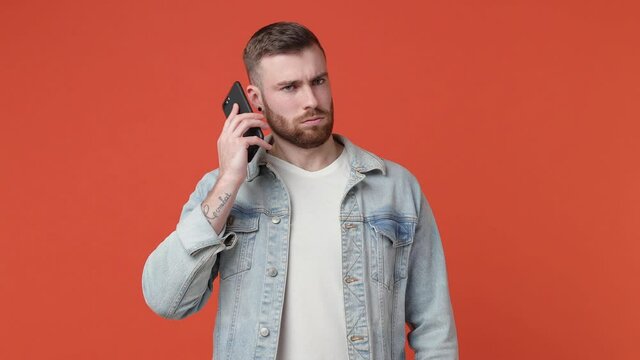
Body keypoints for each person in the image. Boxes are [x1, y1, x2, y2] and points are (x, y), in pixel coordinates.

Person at [142, 21, 458, 360]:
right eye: (290, 87)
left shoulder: (395, 189)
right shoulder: (226, 190)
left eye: (318, 81)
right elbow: (166, 299)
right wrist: (230, 180)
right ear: (255, 100)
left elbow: (434, 328)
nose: (311, 100)